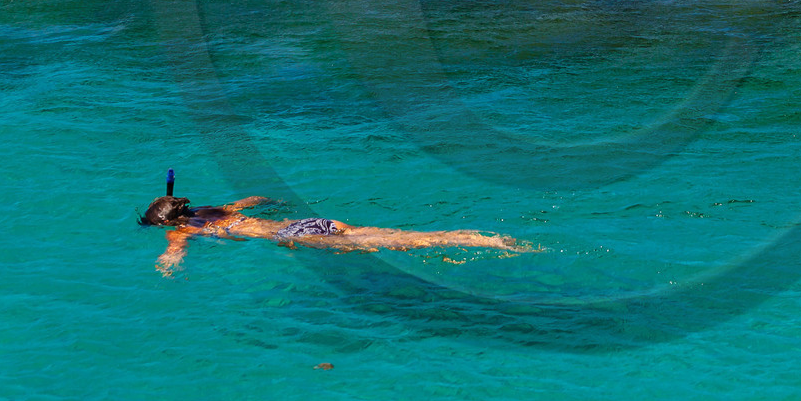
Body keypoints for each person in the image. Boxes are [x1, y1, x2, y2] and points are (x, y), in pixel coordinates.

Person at [140, 172, 524, 275]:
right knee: (391, 235)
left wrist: (166, 266)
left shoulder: (180, 230)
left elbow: (174, 254)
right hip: (309, 222)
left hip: (292, 235)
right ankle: (473, 236)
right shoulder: (214, 209)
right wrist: (271, 199)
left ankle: (475, 242)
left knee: (398, 245)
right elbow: (252, 199)